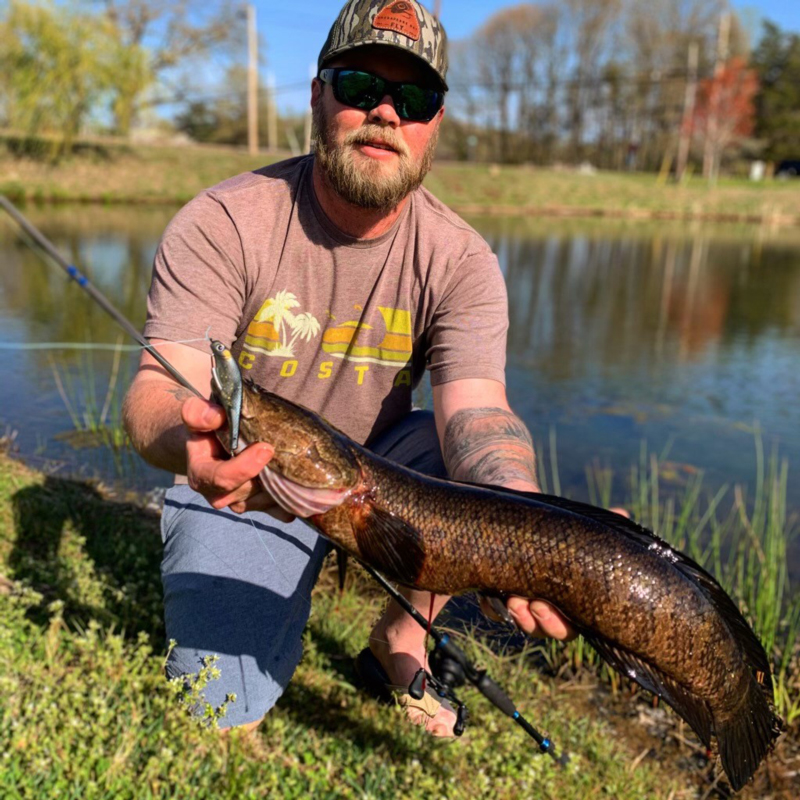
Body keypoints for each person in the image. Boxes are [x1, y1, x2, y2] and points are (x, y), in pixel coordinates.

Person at [123, 0, 574, 739]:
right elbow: (154, 391)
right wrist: (188, 440)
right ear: (317, 97)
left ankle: (402, 634)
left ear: (435, 123)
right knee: (217, 707)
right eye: (361, 85)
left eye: (416, 97)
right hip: (251, 486)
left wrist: (520, 515)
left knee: (460, 467)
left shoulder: (460, 260)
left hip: (378, 482)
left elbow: (476, 413)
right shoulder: (224, 221)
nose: (387, 112)